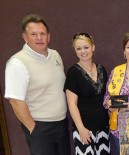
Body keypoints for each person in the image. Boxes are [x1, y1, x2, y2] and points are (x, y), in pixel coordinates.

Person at [4, 14, 70, 155]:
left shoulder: (55, 55)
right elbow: (15, 101)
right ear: (25, 37)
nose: (39, 38)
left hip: (61, 124)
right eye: (34, 34)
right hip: (40, 127)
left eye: (42, 33)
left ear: (48, 36)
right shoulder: (17, 62)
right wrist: (33, 129)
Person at [64, 33, 110, 155]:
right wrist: (81, 129)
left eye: (86, 47)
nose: (83, 51)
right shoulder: (73, 72)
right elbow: (72, 104)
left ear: (93, 47)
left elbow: (106, 97)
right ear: (75, 51)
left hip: (103, 127)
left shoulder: (101, 69)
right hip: (84, 129)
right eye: (78, 48)